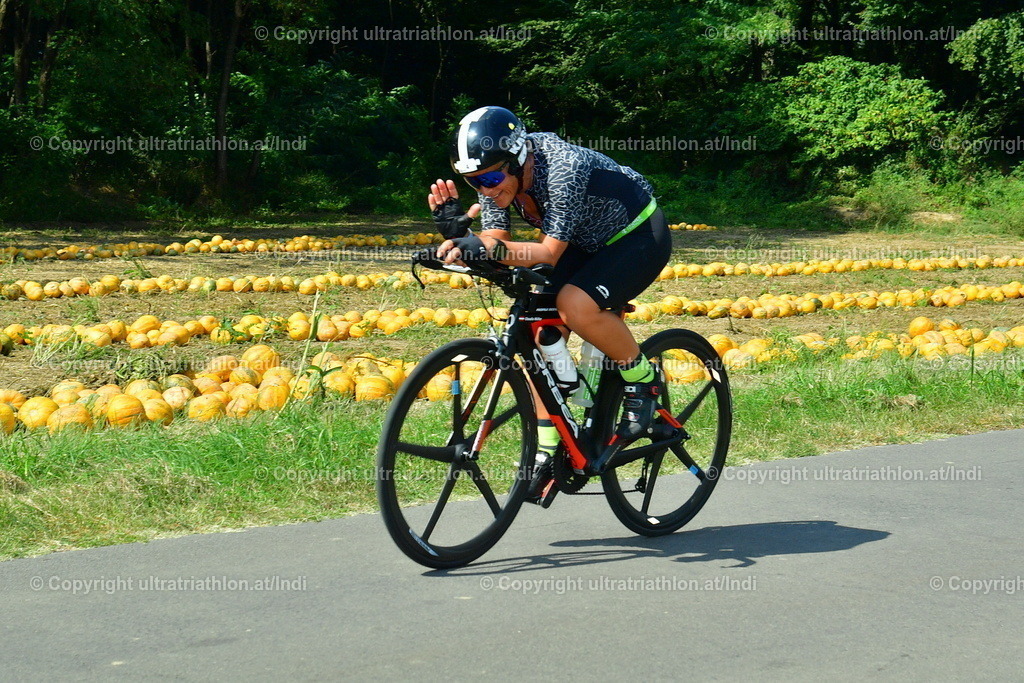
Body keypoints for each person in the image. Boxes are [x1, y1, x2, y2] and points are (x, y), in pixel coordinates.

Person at [430, 105, 671, 474]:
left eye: (490, 180)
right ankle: (549, 448)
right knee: (535, 327)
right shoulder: (497, 182)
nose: (484, 191)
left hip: (635, 235)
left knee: (575, 305)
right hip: (582, 240)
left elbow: (545, 252)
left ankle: (642, 381)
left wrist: (483, 247)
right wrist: (463, 238)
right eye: (473, 183)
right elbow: (497, 240)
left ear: (516, 160)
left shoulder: (563, 168)